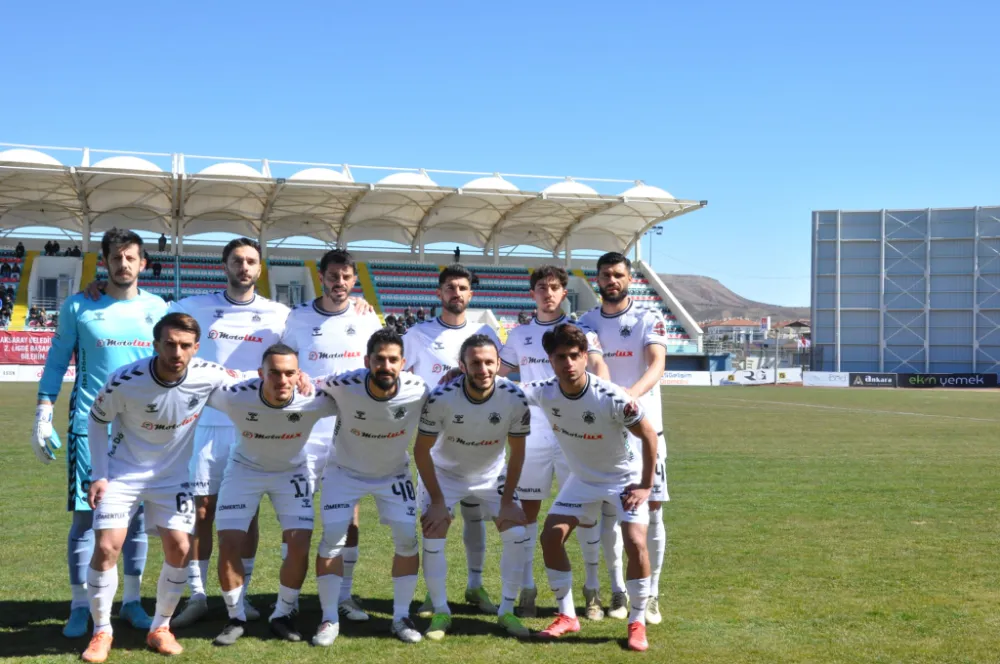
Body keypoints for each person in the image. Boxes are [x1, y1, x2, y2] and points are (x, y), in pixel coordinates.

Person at [79, 313, 240, 662]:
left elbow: (250, 382)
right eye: (169, 344)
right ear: (156, 345)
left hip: (171, 477)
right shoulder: (125, 380)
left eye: (185, 345)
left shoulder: (209, 374)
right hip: (123, 473)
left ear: (196, 348)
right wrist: (100, 474)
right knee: (107, 546)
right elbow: (97, 420)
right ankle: (101, 631)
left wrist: (299, 378)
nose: (176, 353)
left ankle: (160, 628)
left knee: (180, 548)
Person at [34, 228, 168, 638]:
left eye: (130, 257)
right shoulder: (79, 305)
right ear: (105, 262)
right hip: (89, 427)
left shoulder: (159, 307)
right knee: (86, 520)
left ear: (143, 263)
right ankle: (80, 606)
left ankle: (131, 601)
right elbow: (57, 360)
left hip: (141, 431)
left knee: (138, 520)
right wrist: (43, 412)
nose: (123, 264)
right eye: (116, 257)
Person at [166, 238, 289, 627]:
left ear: (260, 268)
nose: (244, 267)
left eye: (251, 261)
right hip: (204, 423)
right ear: (225, 266)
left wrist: (358, 304)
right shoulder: (194, 307)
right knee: (201, 510)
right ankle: (198, 595)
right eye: (237, 261)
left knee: (247, 513)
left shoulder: (279, 315)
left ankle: (242, 594)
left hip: (253, 425)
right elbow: (152, 316)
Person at [522, 323, 657, 652]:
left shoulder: (611, 397)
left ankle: (637, 620)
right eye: (560, 357)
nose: (568, 363)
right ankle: (567, 615)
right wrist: (461, 373)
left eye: (574, 355)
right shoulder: (544, 391)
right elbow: (504, 388)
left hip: (622, 478)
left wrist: (645, 485)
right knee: (551, 537)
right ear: (550, 360)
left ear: (585, 356)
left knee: (635, 541)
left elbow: (649, 435)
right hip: (582, 479)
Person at [497, 265, 612, 620]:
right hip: (532, 436)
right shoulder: (519, 335)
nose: (547, 293)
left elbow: (599, 370)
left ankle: (591, 591)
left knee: (585, 515)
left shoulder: (581, 332)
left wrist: (605, 407)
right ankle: (528, 589)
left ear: (564, 292)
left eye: (554, 287)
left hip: (573, 437)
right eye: (541, 287)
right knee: (527, 513)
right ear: (532, 293)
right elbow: (498, 375)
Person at [207, 344, 338, 646]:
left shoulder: (313, 399)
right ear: (260, 373)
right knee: (229, 541)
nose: (282, 380)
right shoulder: (236, 396)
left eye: (290, 373)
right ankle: (236, 617)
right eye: (274, 373)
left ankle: (282, 614)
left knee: (299, 542)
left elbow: (356, 394)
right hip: (244, 471)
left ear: (299, 374)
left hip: (291, 472)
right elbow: (196, 384)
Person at [280, 249, 382, 622]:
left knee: (347, 516)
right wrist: (297, 375)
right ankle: (287, 600)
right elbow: (285, 363)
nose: (339, 282)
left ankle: (344, 595)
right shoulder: (298, 317)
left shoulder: (366, 318)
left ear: (354, 280)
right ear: (321, 276)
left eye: (346, 277)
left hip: (351, 431)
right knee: (296, 515)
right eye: (333, 276)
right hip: (307, 431)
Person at [312, 328, 429, 646]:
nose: (386, 366)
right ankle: (329, 618)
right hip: (344, 473)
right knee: (332, 539)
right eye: (379, 359)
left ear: (403, 362)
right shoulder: (344, 383)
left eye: (393, 360)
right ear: (367, 361)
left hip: (393, 475)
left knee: (407, 539)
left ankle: (401, 617)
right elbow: (309, 383)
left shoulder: (419, 388)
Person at [414, 334, 531, 640]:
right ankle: (440, 610)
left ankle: (506, 612)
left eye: (489, 362)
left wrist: (508, 501)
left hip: (491, 475)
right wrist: (436, 501)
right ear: (462, 365)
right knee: (433, 530)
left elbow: (518, 453)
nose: (483, 369)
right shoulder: (441, 397)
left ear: (498, 363)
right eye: (475, 363)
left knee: (517, 533)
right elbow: (421, 450)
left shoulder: (514, 397)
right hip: (444, 474)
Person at [404, 264, 502, 616]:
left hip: (480, 442)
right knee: (435, 519)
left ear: (470, 294)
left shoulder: (486, 332)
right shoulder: (417, 334)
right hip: (436, 444)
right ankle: (435, 595)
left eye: (462, 288)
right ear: (439, 293)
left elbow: (498, 377)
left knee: (475, 518)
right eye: (449, 287)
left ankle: (475, 586)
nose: (456, 293)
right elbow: (402, 378)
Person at [580, 251, 670, 625]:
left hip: (647, 430)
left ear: (629, 278)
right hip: (607, 431)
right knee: (609, 512)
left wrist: (629, 397)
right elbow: (596, 362)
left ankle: (652, 595)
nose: (612, 280)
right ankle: (618, 590)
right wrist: (613, 401)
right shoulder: (586, 321)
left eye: (618, 274)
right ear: (597, 280)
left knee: (653, 510)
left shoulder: (649, 317)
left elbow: (657, 363)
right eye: (606, 275)